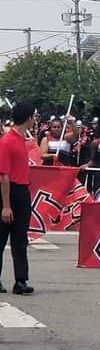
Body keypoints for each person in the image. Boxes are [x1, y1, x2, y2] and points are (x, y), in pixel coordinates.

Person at [0, 102, 36, 294]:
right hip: (9, 191)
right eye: (34, 117)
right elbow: (3, 175)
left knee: (20, 239)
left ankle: (20, 280)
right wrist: (6, 205)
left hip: (22, 191)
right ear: (29, 117)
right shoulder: (7, 141)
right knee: (1, 238)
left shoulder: (22, 139)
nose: (35, 121)